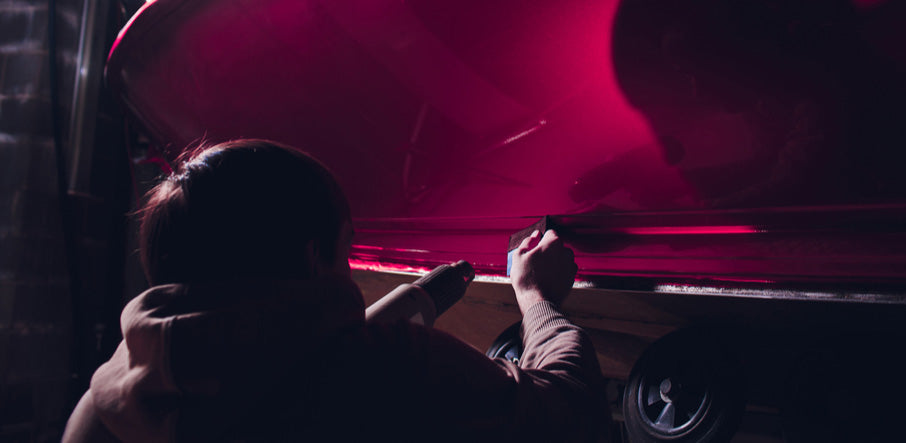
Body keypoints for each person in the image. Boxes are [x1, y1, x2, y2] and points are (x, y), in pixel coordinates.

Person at [63, 139, 608, 442]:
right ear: (311, 257)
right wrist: (536, 298)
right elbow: (567, 412)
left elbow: (268, 370)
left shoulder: (103, 405)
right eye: (344, 249)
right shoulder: (388, 372)